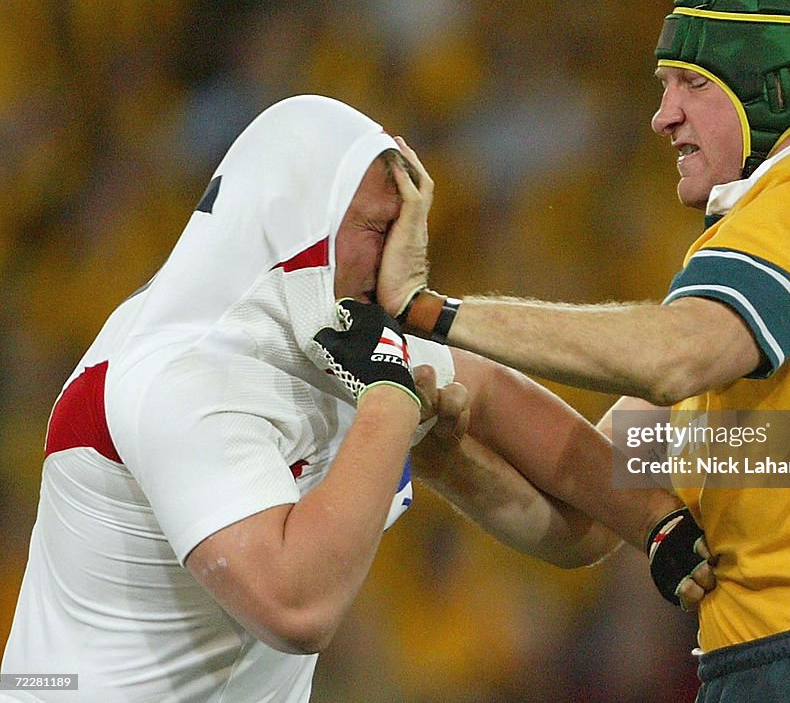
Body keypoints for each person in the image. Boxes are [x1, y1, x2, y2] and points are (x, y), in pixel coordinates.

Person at [376, 0, 790, 702]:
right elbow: (577, 524)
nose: (663, 116)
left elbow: (674, 356)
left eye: (692, 83)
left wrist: (432, 311)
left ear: (771, 85)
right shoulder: (767, 311)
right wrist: (439, 442)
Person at [0, 95, 693, 701]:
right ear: (295, 224)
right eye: (378, 229)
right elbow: (296, 607)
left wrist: (678, 501)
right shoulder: (179, 377)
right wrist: (394, 403)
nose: (401, 260)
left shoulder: (330, 329)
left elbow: (586, 510)